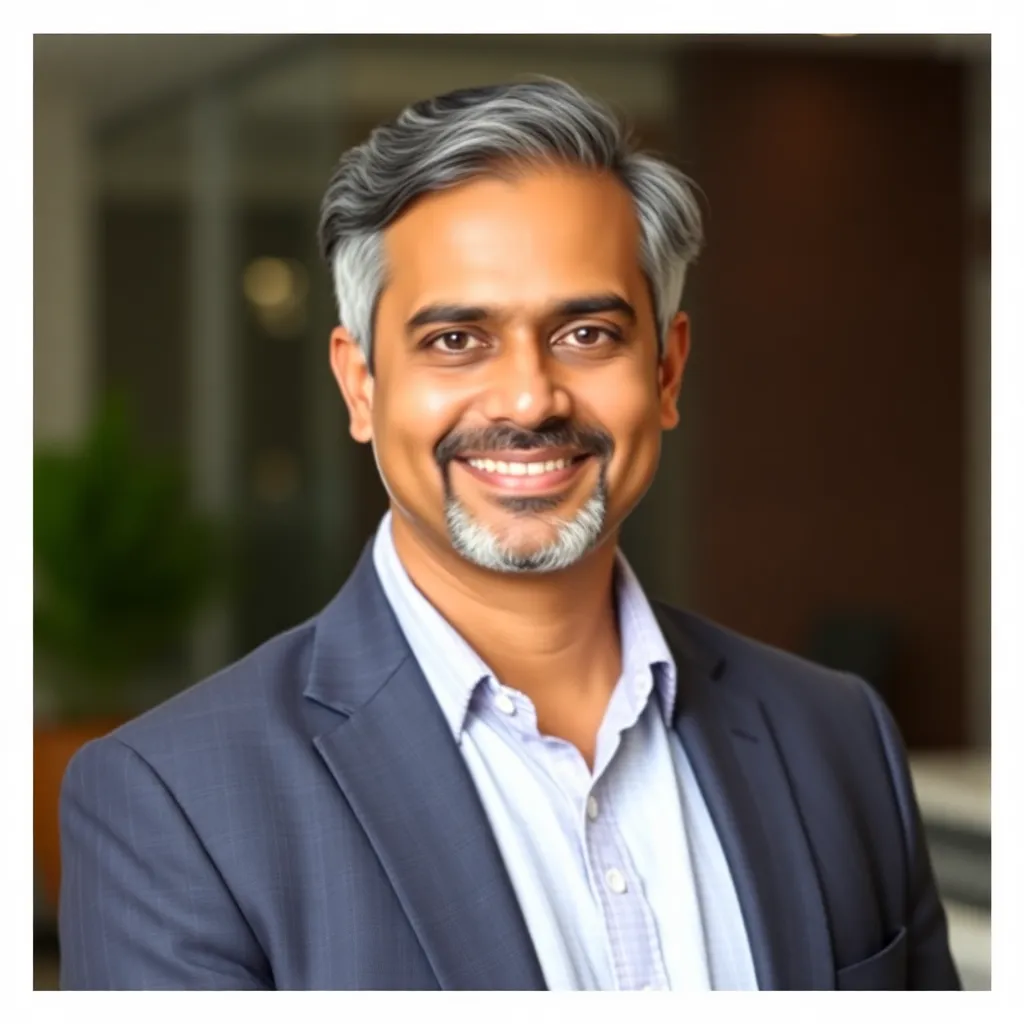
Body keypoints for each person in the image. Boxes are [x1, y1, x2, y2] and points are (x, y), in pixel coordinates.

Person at [58, 78, 960, 991]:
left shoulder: (839, 737)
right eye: (456, 339)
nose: (530, 398)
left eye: (587, 332)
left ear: (668, 369)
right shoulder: (169, 802)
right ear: (361, 386)